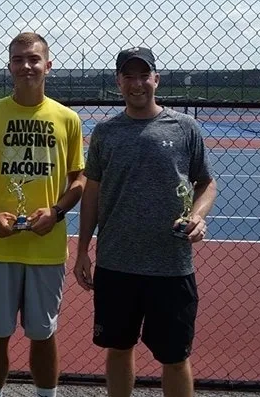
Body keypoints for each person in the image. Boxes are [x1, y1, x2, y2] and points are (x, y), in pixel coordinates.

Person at [73, 47, 217, 397]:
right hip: (117, 264)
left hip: (171, 266)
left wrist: (196, 217)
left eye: (143, 76)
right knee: (119, 348)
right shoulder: (105, 133)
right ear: (118, 82)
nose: (137, 84)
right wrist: (81, 251)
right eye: (129, 76)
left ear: (156, 79)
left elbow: (207, 182)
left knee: (174, 356)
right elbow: (91, 194)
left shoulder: (185, 128)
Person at [0, 32, 85, 397]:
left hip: (46, 248)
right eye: (18, 59)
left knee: (43, 334)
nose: (26, 65)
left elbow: (79, 178)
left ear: (48, 65)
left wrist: (58, 211)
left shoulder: (67, 119)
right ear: (10, 66)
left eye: (33, 59)